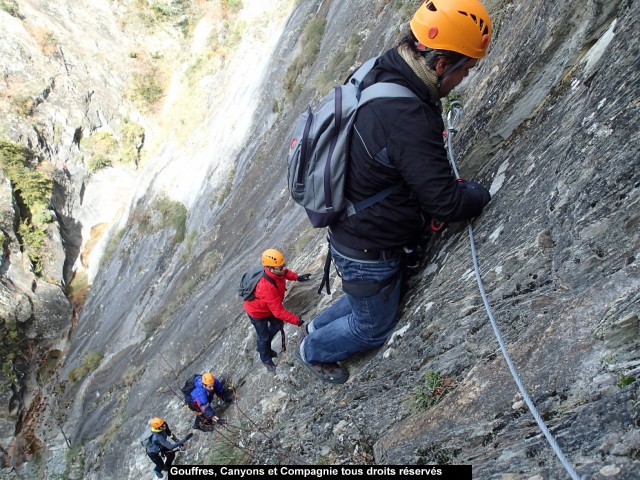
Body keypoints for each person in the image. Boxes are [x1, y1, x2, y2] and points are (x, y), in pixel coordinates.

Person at [293, 0, 493, 384]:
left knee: (369, 300)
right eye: (464, 69)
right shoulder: (406, 115)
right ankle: (312, 350)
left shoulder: (384, 67)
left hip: (353, 228)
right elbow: (447, 203)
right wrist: (479, 195)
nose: (464, 77)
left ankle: (317, 327)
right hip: (367, 247)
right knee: (372, 328)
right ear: (439, 64)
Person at [243, 248, 310, 372]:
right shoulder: (266, 286)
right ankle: (265, 358)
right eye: (280, 267)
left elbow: (285, 273)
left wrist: (297, 277)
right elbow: (278, 312)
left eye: (283, 265)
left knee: (277, 325)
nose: (283, 268)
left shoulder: (276, 271)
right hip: (257, 313)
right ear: (269, 268)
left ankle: (263, 347)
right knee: (263, 337)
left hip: (267, 307)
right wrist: (298, 322)